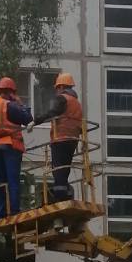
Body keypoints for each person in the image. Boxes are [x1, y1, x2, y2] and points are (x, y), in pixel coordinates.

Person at [0, 75, 33, 218]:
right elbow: (28, 120)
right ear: (11, 92)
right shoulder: (10, 105)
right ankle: (14, 211)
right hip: (10, 146)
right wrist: (21, 104)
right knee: (12, 180)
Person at [43, 71, 82, 200]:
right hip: (73, 140)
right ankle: (65, 193)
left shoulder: (62, 99)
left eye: (57, 88)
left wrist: (36, 120)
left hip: (60, 138)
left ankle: (59, 197)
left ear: (61, 87)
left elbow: (52, 113)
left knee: (58, 169)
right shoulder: (77, 103)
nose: (56, 91)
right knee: (65, 169)